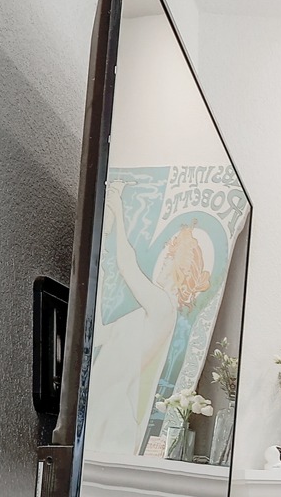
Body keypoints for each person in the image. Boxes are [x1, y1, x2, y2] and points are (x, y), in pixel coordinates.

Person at [86, 180, 207, 456]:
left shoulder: (164, 307)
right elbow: (100, 335)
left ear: (180, 268)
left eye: (170, 257)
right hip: (99, 406)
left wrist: (118, 211)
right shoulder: (147, 312)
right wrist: (99, 277)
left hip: (112, 416)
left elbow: (127, 266)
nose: (163, 261)